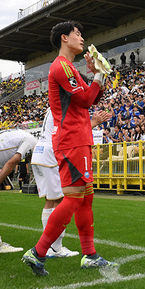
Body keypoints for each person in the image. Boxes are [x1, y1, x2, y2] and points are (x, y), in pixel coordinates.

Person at [22, 21, 116, 276]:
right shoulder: (61, 67)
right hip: (72, 140)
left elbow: (92, 97)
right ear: (64, 38)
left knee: (86, 198)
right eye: (78, 34)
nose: (82, 38)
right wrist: (97, 75)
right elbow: (86, 100)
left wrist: (98, 74)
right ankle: (38, 252)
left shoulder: (70, 68)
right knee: (74, 197)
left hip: (79, 138)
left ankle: (90, 254)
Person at [31, 108, 112, 259]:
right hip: (51, 152)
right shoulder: (67, 102)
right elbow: (72, 133)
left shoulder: (55, 104)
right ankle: (53, 248)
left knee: (51, 200)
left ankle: (51, 248)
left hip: (40, 151)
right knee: (65, 199)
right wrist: (94, 122)